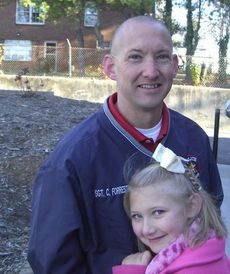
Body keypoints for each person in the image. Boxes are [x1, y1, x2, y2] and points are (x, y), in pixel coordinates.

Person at [27, 16, 223, 273]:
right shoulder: (72, 160)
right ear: (109, 67)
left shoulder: (193, 138)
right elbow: (53, 260)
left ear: (175, 65)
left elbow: (210, 216)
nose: (151, 71)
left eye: (162, 57)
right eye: (135, 57)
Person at [113, 144, 230, 274]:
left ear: (192, 206)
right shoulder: (204, 253)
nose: (146, 229)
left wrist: (131, 271)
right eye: (137, 216)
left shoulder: (192, 269)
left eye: (158, 212)